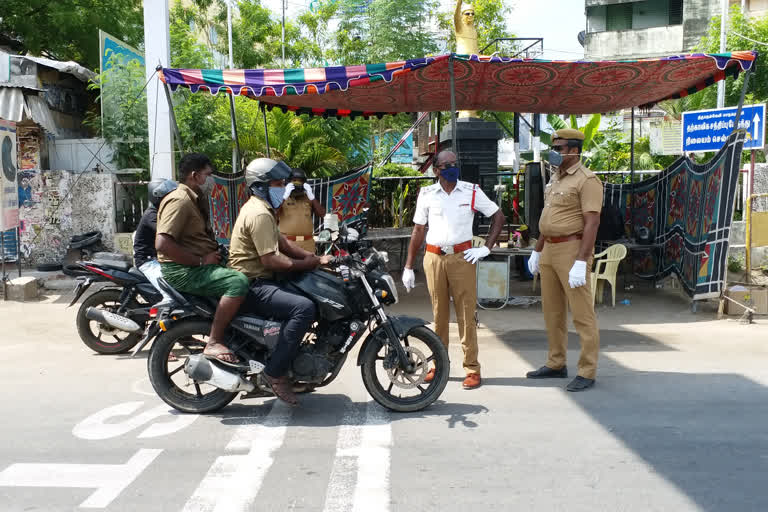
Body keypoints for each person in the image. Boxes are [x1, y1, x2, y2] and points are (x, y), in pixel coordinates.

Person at [228, 158, 332, 406]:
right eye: (277, 183)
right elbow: (271, 260)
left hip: (261, 277)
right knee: (303, 308)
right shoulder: (259, 213)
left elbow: (284, 244)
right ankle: (275, 372)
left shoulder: (262, 208)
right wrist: (311, 263)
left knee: (307, 296)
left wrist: (313, 257)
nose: (282, 187)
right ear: (262, 185)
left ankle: (291, 357)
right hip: (254, 282)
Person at [402, 150, 506, 390]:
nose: (452, 168)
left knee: (466, 314)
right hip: (434, 257)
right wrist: (408, 265)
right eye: (446, 165)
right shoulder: (427, 194)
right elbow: (418, 230)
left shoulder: (470, 191)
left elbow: (498, 216)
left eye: (454, 164)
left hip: (462, 257)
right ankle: (440, 365)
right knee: (438, 314)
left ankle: (472, 368)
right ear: (436, 170)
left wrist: (486, 248)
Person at [526, 128, 603, 392]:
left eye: (559, 148)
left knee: (582, 315)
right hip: (549, 248)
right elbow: (548, 219)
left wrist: (582, 260)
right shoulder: (556, 178)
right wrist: (537, 250)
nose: (554, 153)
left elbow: (592, 222)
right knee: (552, 312)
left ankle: (587, 370)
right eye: (554, 148)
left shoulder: (587, 180)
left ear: (574, 150)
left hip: (572, 249)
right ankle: (556, 363)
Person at [155, 153, 249, 365]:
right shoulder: (179, 201)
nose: (212, 180)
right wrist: (201, 261)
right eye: (208, 175)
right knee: (238, 282)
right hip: (183, 270)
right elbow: (162, 244)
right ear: (195, 176)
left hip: (198, 264)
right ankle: (214, 341)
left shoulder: (195, 199)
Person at [133, 178, 178, 304]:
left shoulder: (160, 212)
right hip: (147, 261)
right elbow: (169, 234)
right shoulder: (151, 215)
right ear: (158, 197)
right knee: (171, 294)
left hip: (156, 259)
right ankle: (162, 320)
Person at [278, 168, 326, 254]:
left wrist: (312, 197)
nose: (297, 183)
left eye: (300, 181)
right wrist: (284, 197)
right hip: (288, 243)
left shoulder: (308, 197)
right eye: (294, 180)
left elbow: (322, 214)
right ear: (289, 182)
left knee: (310, 266)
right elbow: (273, 214)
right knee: (288, 266)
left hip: (307, 243)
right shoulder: (281, 198)